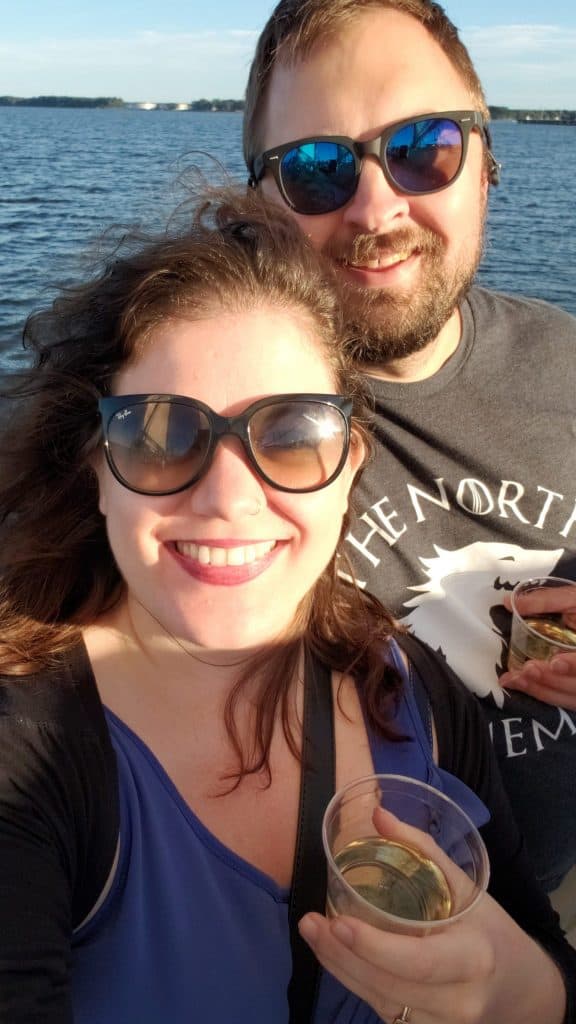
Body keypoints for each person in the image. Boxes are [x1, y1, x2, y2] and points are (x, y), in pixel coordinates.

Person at [0, 191, 574, 1023]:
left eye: (294, 433)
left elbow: (544, 955)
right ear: (96, 467)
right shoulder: (30, 752)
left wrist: (520, 989)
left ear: (350, 463)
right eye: (159, 434)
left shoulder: (412, 690)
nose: (229, 501)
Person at [243, 0, 576, 895]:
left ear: (486, 163)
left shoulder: (570, 366)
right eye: (315, 170)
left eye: (424, 146)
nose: (375, 207)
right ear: (261, 204)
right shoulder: (214, 410)